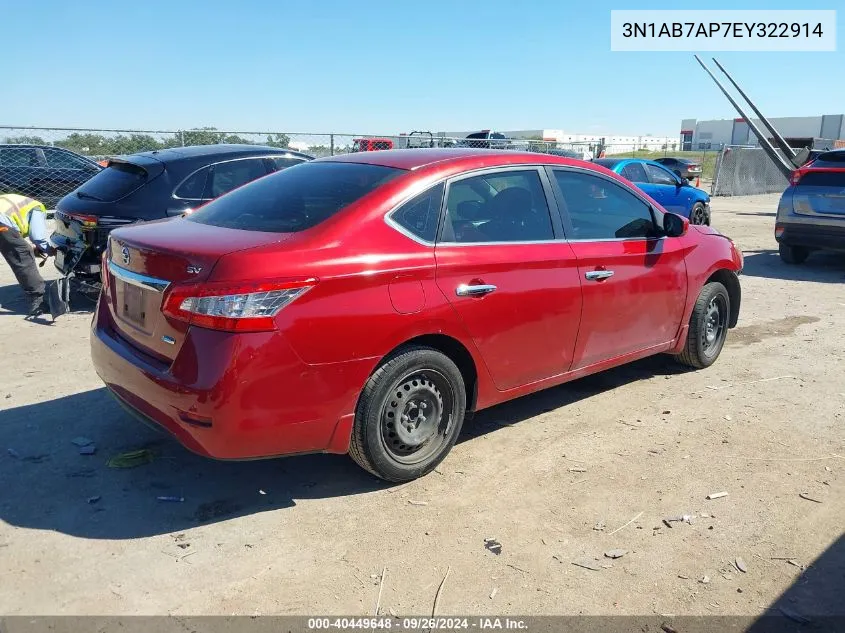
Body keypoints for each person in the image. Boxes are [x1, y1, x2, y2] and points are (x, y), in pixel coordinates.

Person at [0, 193, 54, 316]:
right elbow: (37, 237)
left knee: (23, 249)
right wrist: (50, 251)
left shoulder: (14, 200)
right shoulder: (37, 207)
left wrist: (32, 247)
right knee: (22, 256)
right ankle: (37, 301)